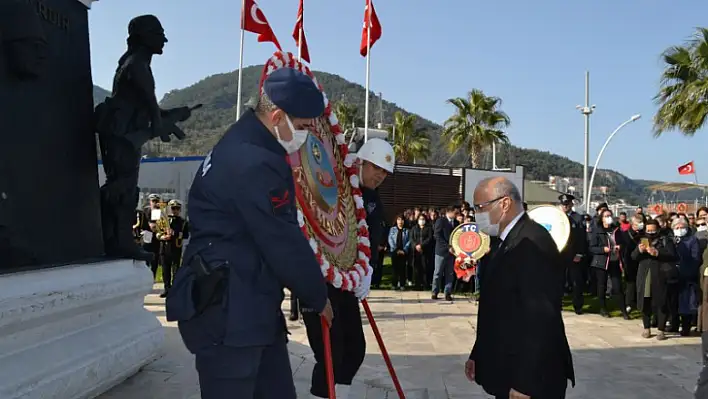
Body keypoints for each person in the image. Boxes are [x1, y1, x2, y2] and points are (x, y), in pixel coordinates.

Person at [164, 67, 334, 399]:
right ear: (277, 116)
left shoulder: (240, 141)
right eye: (300, 127)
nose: (303, 135)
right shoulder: (255, 161)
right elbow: (281, 240)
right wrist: (317, 297)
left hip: (252, 306)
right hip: (230, 313)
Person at [465, 177, 574, 399]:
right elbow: (497, 309)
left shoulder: (532, 243)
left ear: (504, 204)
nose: (477, 214)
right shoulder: (506, 241)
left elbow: (540, 318)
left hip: (530, 381)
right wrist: (478, 354)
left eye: (480, 207)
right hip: (507, 367)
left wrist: (525, 382)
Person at [302, 137, 394, 399]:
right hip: (319, 279)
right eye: (377, 168)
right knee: (331, 351)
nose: (380, 176)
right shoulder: (336, 182)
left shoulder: (373, 198)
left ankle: (338, 394)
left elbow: (372, 235)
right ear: (361, 162)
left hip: (347, 282)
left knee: (355, 349)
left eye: (385, 172)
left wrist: (369, 270)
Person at [588, 208, 629, 319]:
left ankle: (623, 310)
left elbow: (624, 243)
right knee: (602, 286)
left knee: (618, 287)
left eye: (609, 215)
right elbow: (592, 248)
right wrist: (603, 249)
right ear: (602, 218)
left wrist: (620, 246)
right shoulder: (597, 230)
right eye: (606, 216)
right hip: (601, 262)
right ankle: (603, 308)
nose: (608, 217)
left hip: (614, 261)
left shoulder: (616, 230)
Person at [559, 194, 587, 314]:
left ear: (571, 204)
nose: (565, 206)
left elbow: (582, 238)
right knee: (558, 280)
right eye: (563, 204)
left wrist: (580, 253)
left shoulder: (578, 218)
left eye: (567, 204)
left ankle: (578, 305)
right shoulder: (557, 217)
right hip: (559, 254)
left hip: (573, 254)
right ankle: (558, 304)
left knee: (576, 282)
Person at [432, 205, 458, 301]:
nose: (456, 215)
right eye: (455, 213)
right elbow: (437, 235)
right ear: (449, 212)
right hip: (441, 251)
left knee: (449, 273)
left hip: (452, 253)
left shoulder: (456, 223)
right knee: (438, 273)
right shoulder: (441, 221)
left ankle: (448, 292)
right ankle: (435, 291)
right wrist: (447, 247)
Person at [388, 215, 411, 290]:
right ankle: (394, 284)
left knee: (402, 268)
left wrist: (404, 250)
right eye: (399, 219)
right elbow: (390, 239)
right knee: (395, 268)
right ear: (396, 221)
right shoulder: (392, 229)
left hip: (403, 252)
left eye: (402, 220)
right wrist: (395, 250)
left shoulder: (407, 231)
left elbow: (409, 241)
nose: (400, 221)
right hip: (394, 251)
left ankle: (402, 284)